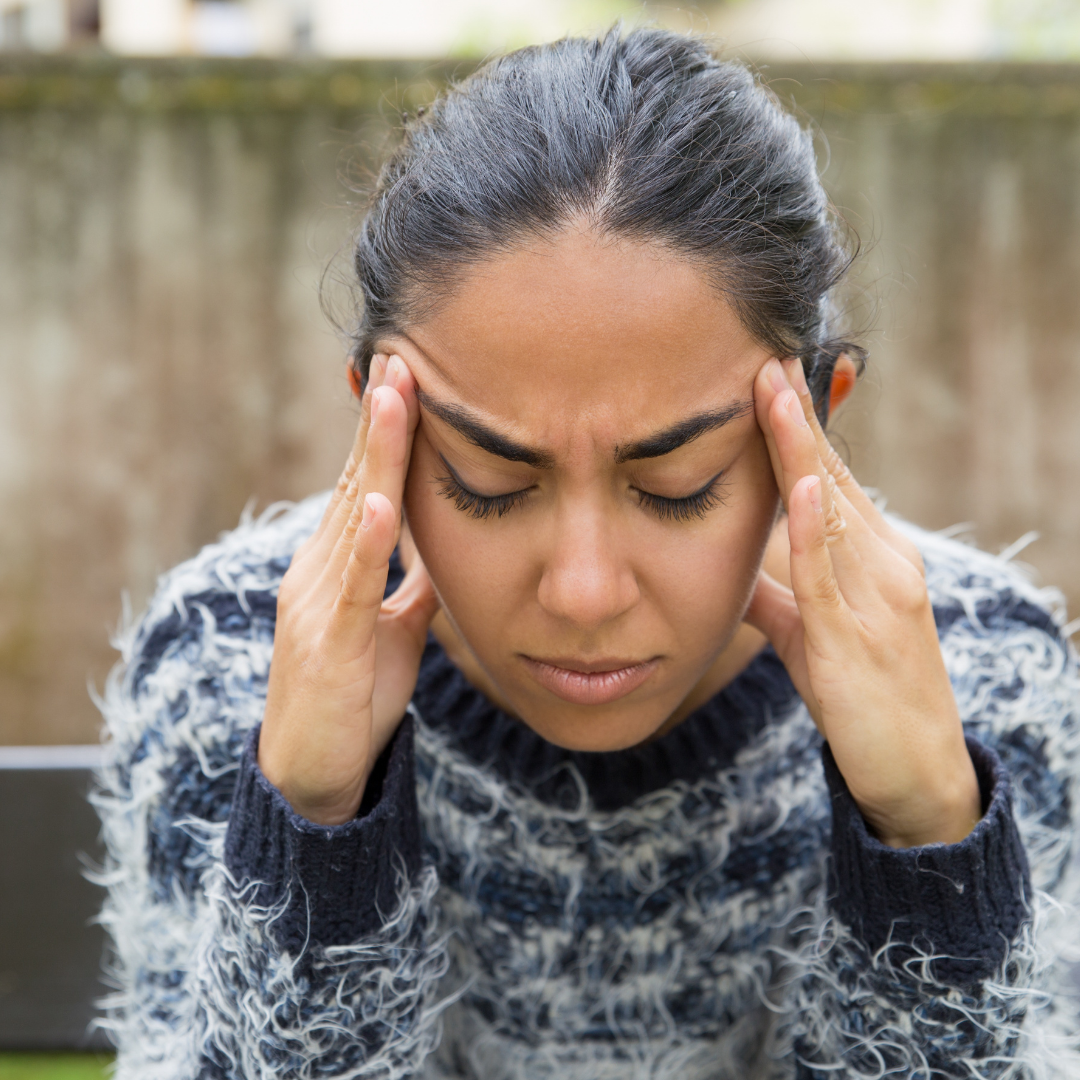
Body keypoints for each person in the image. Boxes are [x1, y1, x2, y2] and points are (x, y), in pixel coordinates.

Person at [92, 26, 1080, 1079]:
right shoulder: (227, 663)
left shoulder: (981, 674)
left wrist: (928, 835)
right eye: (490, 482)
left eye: (677, 486)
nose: (583, 590)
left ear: (818, 423)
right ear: (379, 424)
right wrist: (312, 823)